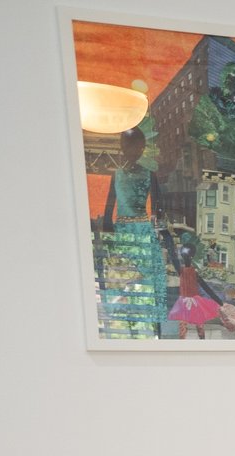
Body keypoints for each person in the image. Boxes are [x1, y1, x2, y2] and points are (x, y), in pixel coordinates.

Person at [92, 126, 168, 337]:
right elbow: (109, 214)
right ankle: (133, 329)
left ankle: (138, 330)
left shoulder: (138, 176)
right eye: (128, 146)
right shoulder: (128, 175)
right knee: (132, 282)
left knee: (135, 282)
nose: (130, 150)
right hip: (133, 232)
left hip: (131, 232)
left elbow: (109, 216)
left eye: (133, 146)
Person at [164, 238, 225, 340]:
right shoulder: (184, 271)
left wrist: (219, 301)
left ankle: (200, 344)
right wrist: (219, 301)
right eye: (185, 255)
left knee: (196, 326)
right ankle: (191, 344)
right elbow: (207, 289)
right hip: (185, 301)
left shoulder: (188, 272)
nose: (186, 257)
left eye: (186, 255)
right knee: (187, 326)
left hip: (190, 301)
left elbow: (206, 288)